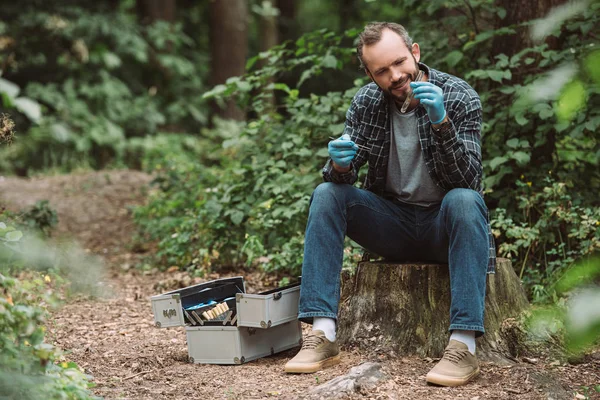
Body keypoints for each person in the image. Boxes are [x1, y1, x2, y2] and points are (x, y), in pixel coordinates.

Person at [283, 22, 496, 387]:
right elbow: (343, 181)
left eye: (399, 62)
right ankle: (323, 333)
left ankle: (463, 346)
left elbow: (469, 182)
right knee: (326, 194)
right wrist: (339, 164)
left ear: (415, 52)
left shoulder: (459, 95)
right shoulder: (367, 102)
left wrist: (441, 121)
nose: (395, 76)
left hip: (443, 227)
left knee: (464, 200)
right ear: (369, 73)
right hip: (392, 224)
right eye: (382, 71)